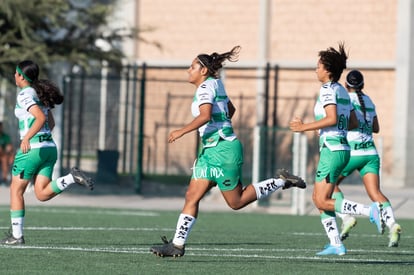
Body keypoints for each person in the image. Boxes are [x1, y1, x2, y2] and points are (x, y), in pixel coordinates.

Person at [150, 46, 306, 257]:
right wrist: (219, 127)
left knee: (236, 202)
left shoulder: (206, 88)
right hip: (211, 151)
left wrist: (181, 131)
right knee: (191, 196)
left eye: (192, 66)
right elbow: (230, 110)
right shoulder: (216, 84)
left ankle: (281, 181)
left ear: (203, 70)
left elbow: (205, 116)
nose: (188, 70)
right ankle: (177, 245)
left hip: (223, 151)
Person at [289, 43, 383, 256]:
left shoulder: (328, 90)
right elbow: (350, 122)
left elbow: (332, 117)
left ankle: (370, 211)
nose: (316, 70)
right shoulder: (341, 90)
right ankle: (335, 243)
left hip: (332, 150)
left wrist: (305, 127)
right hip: (340, 147)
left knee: (321, 200)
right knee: (318, 199)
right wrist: (326, 129)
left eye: (318, 66)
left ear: (327, 70)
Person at [0, 60, 94, 245]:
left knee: (15, 190)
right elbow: (50, 123)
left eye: (16, 73)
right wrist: (40, 138)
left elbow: (41, 117)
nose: (14, 76)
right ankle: (70, 178)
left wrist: (27, 138)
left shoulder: (25, 94)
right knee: (41, 194)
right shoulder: (39, 93)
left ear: (21, 76)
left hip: (32, 149)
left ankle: (17, 236)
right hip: (49, 148)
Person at [333, 70, 401, 247]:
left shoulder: (346, 100)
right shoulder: (369, 100)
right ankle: (393, 224)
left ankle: (347, 217)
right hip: (370, 153)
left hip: (352, 152)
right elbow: (376, 128)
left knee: (329, 185)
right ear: (362, 85)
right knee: (375, 194)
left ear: (346, 85)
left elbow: (344, 123)